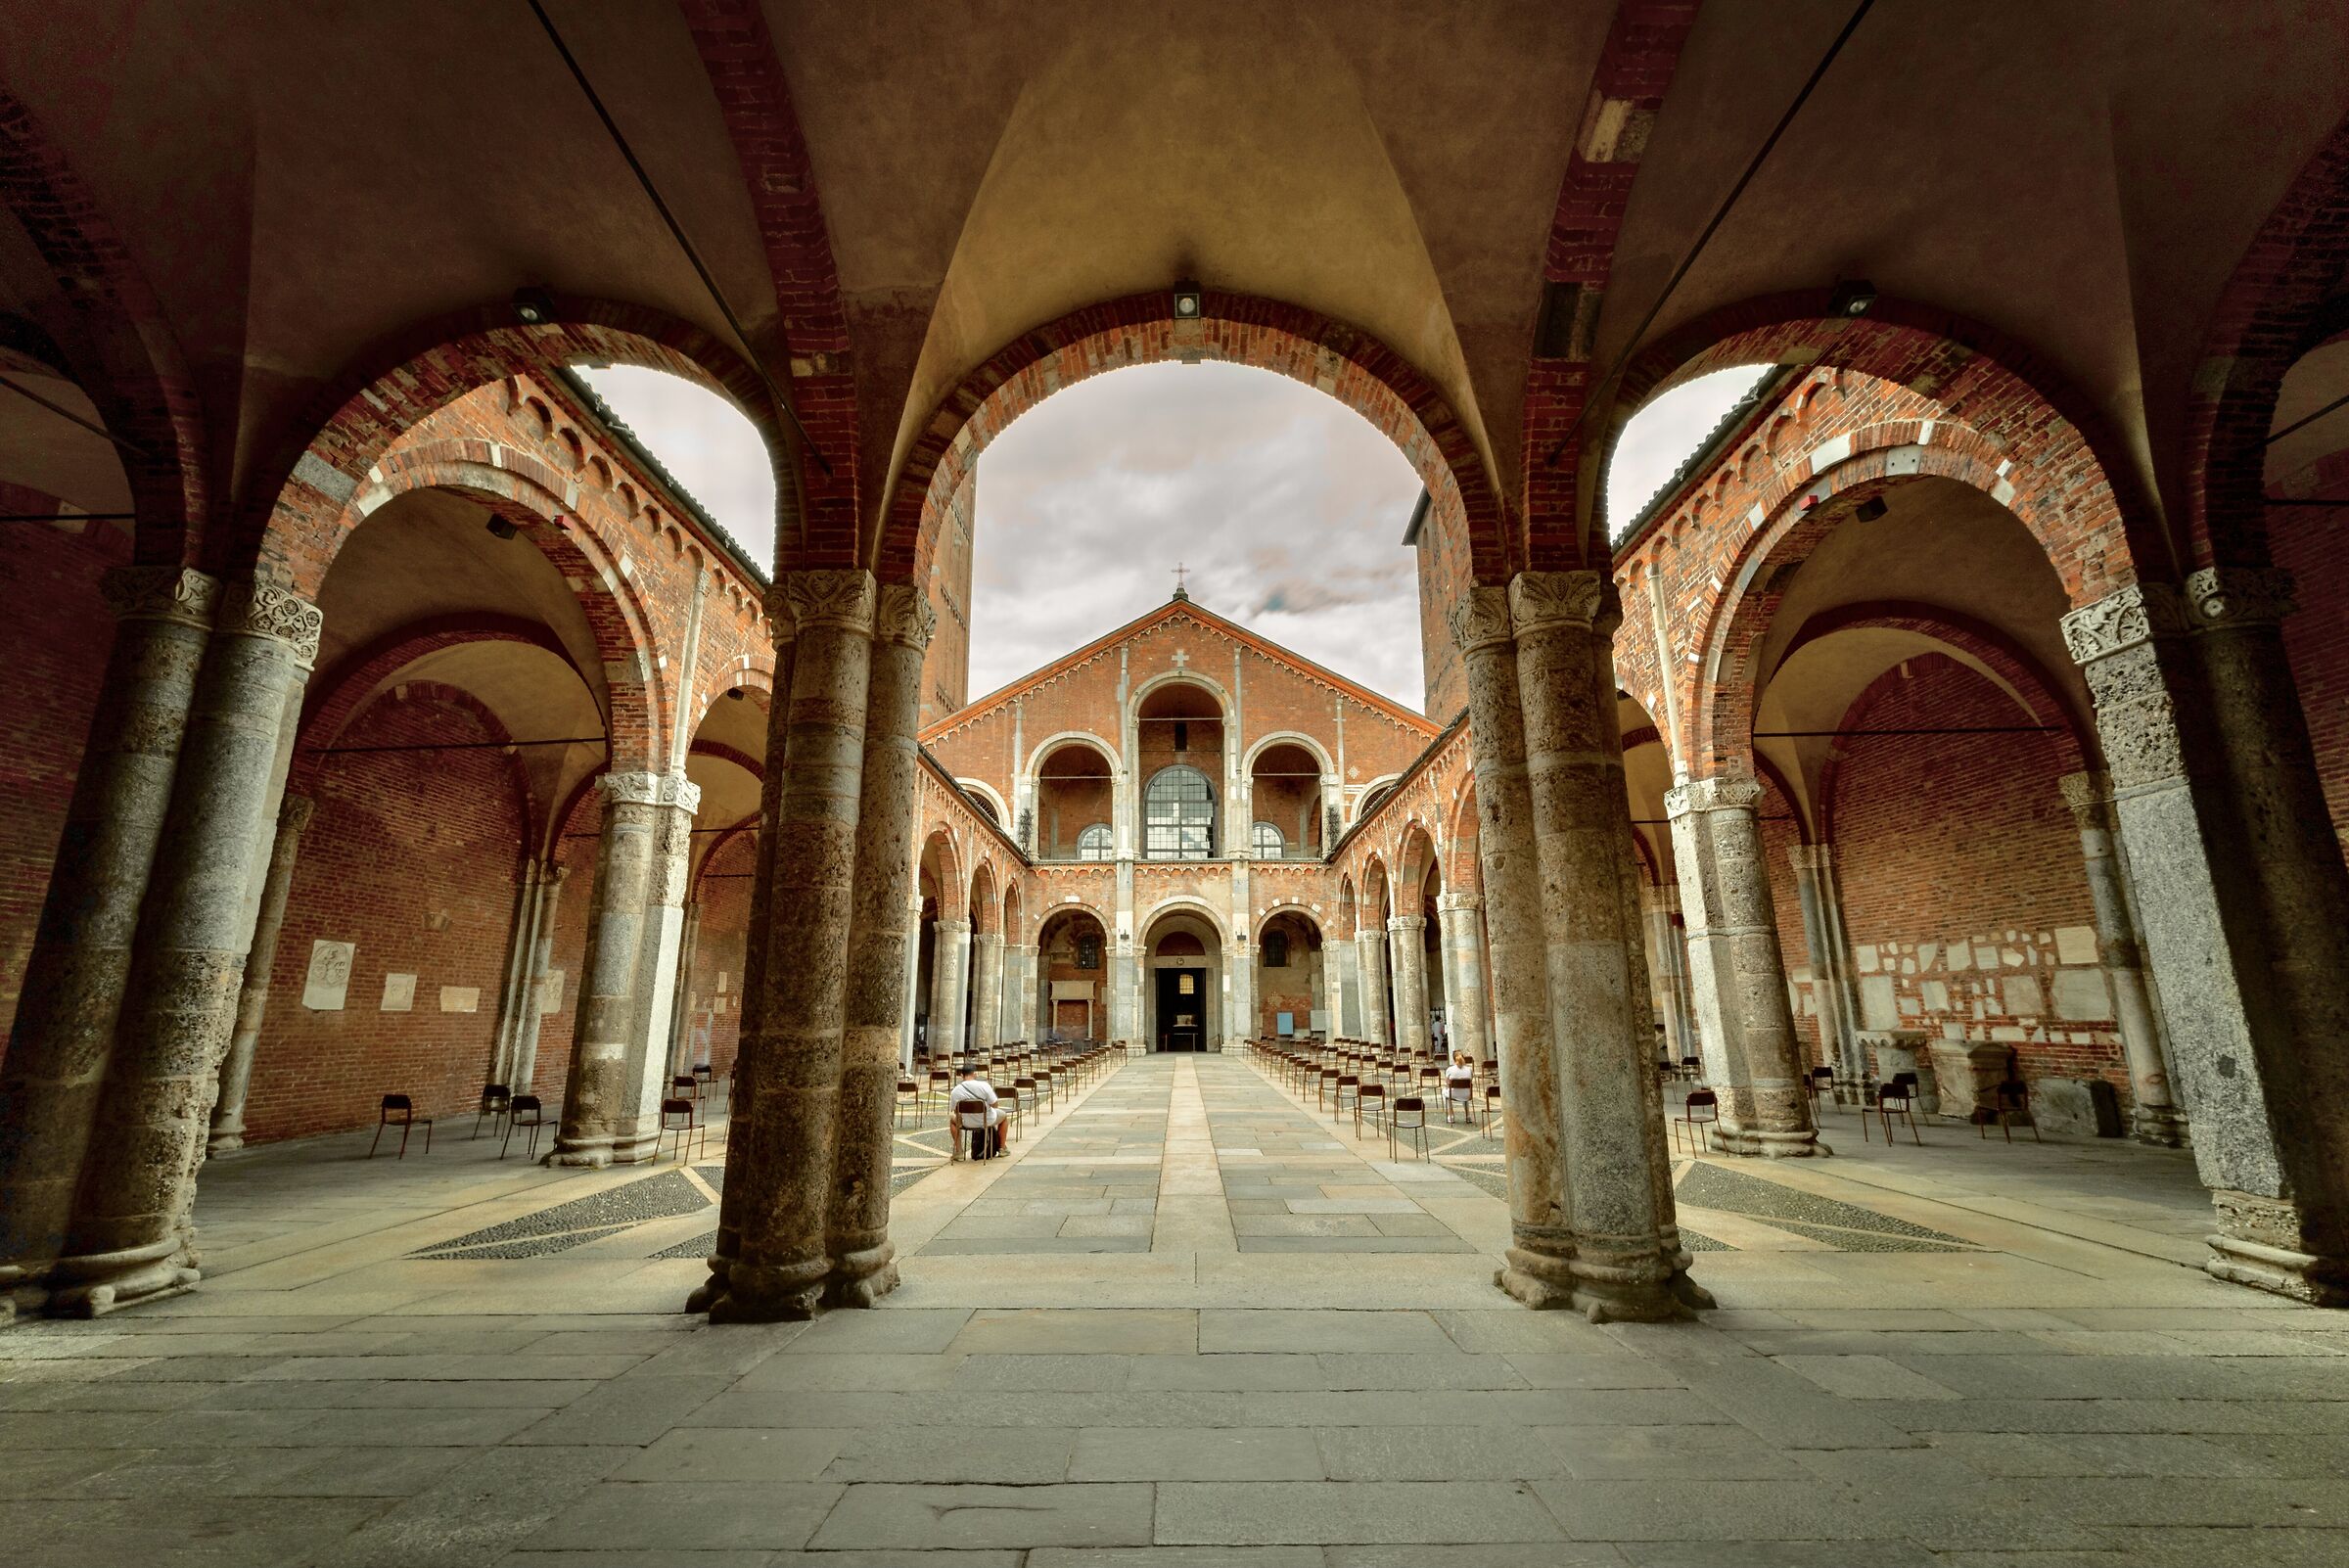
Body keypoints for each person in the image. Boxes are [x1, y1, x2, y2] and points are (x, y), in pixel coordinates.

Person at [947, 1065, 1005, 1160]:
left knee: (952, 1121)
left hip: (967, 1122)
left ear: (962, 1075)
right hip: (987, 1120)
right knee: (1004, 1116)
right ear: (975, 1074)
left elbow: (955, 1110)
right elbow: (995, 1104)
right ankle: (1002, 1148)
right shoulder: (984, 1085)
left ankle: (959, 1152)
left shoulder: (955, 1091)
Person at [1443, 1050, 1477, 1124]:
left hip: (1454, 1094)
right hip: (1467, 1094)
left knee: (1445, 1093)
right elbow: (1471, 1080)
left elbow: (1447, 1083)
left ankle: (1450, 1115)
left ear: (1453, 1059)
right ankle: (1468, 1115)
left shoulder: (1450, 1069)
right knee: (1464, 1091)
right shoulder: (1469, 1069)